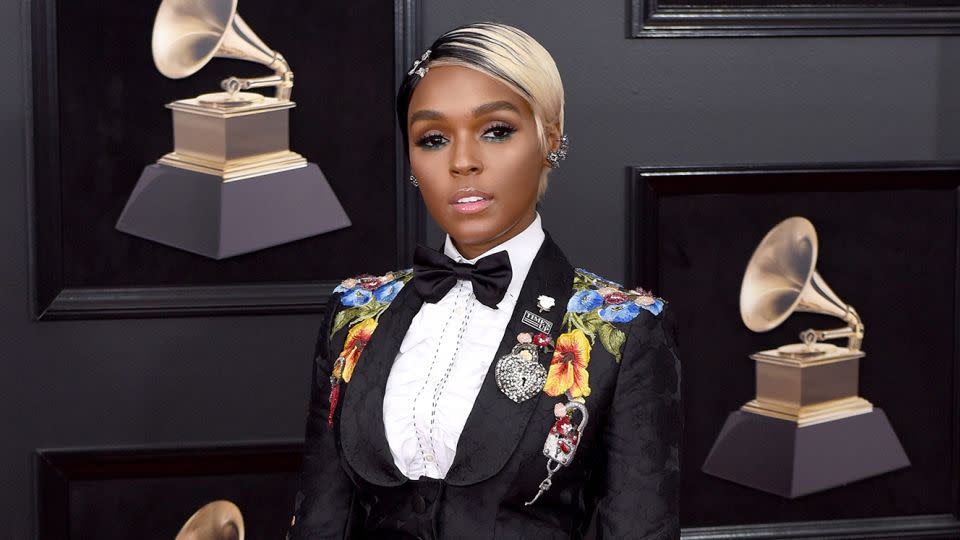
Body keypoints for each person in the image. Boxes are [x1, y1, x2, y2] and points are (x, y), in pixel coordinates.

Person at [288, 22, 680, 540]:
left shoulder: (624, 329)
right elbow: (320, 518)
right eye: (432, 139)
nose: (463, 162)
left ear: (550, 138)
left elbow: (638, 529)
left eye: (496, 131)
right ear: (411, 160)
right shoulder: (355, 310)